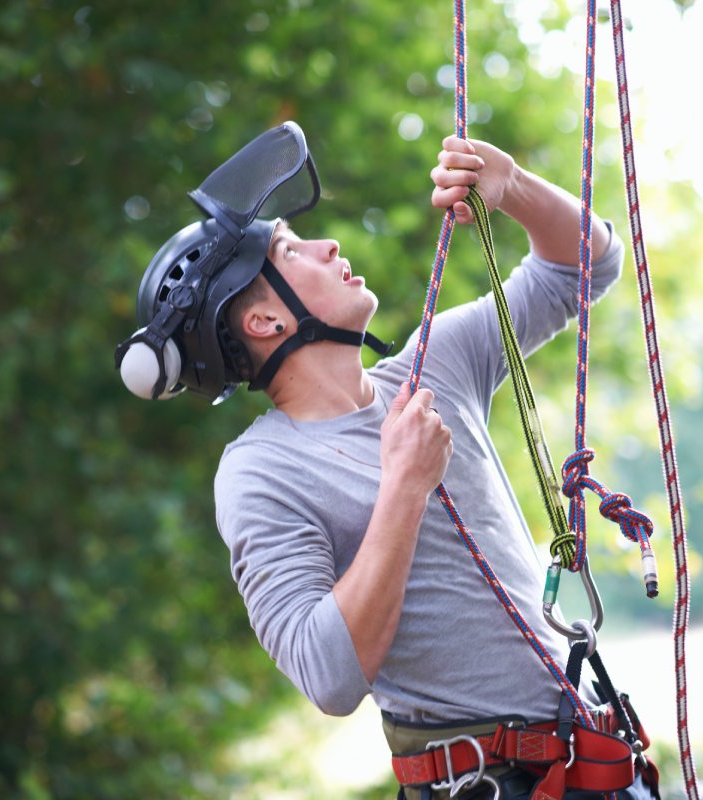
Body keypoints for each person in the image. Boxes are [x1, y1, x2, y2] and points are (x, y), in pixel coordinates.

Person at [117, 125, 658, 799]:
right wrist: (404, 485)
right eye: (291, 250)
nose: (328, 245)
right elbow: (328, 676)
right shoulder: (260, 470)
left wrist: (511, 185)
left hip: (592, 768)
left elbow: (586, 266)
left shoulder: (440, 360)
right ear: (264, 323)